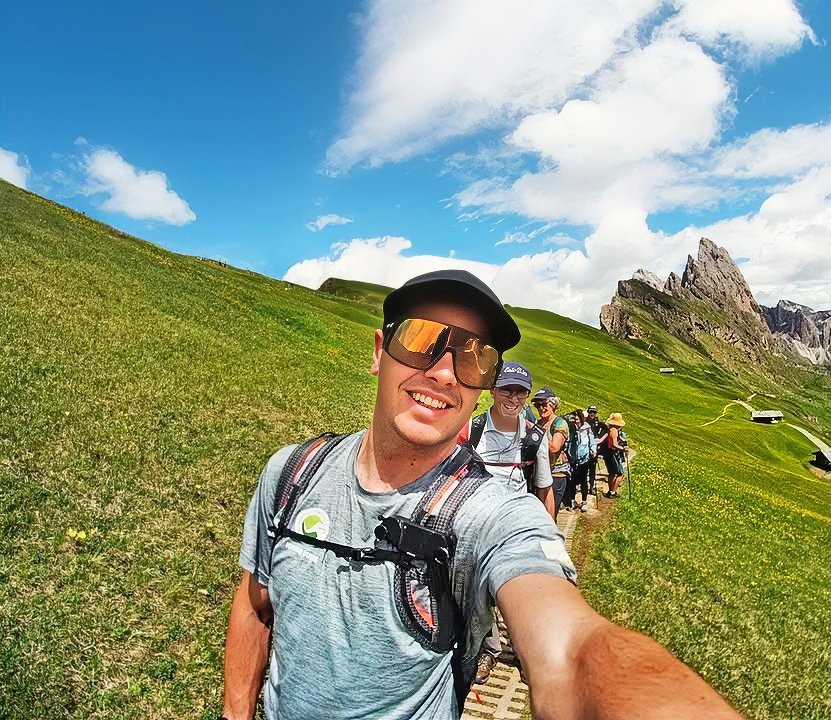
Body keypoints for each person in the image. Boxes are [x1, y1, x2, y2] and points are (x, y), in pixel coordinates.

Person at [222, 269, 745, 720]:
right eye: (422, 338)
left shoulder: (489, 511)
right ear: (379, 352)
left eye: (475, 358)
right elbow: (255, 604)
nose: (446, 372)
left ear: (483, 384)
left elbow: (570, 647)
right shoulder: (291, 472)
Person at [466, 360, 549, 683]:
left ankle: (526, 651)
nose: (513, 398)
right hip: (479, 527)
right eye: (507, 389)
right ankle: (489, 650)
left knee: (518, 593)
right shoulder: (471, 430)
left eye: (521, 392)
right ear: (492, 390)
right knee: (481, 595)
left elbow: (543, 488)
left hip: (516, 529)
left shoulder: (533, 438)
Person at [532, 387, 571, 518]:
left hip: (556, 473)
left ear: (553, 405)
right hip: (539, 472)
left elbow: (555, 447)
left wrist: (536, 433)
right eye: (537, 405)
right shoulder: (539, 423)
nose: (541, 408)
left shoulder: (559, 423)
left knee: (549, 514)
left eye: (544, 404)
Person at [567, 410, 594, 512]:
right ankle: (572, 500)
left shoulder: (587, 428)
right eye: (574, 418)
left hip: (584, 459)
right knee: (572, 481)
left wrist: (593, 450)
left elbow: (592, 441)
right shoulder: (571, 428)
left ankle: (584, 501)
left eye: (577, 418)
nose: (575, 420)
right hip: (572, 459)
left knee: (583, 481)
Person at [603, 412, 629, 498]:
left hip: (608, 453)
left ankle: (610, 491)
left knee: (611, 473)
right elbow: (614, 444)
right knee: (620, 473)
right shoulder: (614, 431)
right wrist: (623, 449)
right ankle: (613, 492)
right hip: (613, 453)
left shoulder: (610, 429)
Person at [587, 405, 606, 497]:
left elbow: (607, 430)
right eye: (591, 412)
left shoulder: (598, 422)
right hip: (585, 448)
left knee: (592, 468)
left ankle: (591, 486)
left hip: (594, 448)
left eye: (594, 412)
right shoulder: (585, 421)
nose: (592, 414)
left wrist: (601, 439)